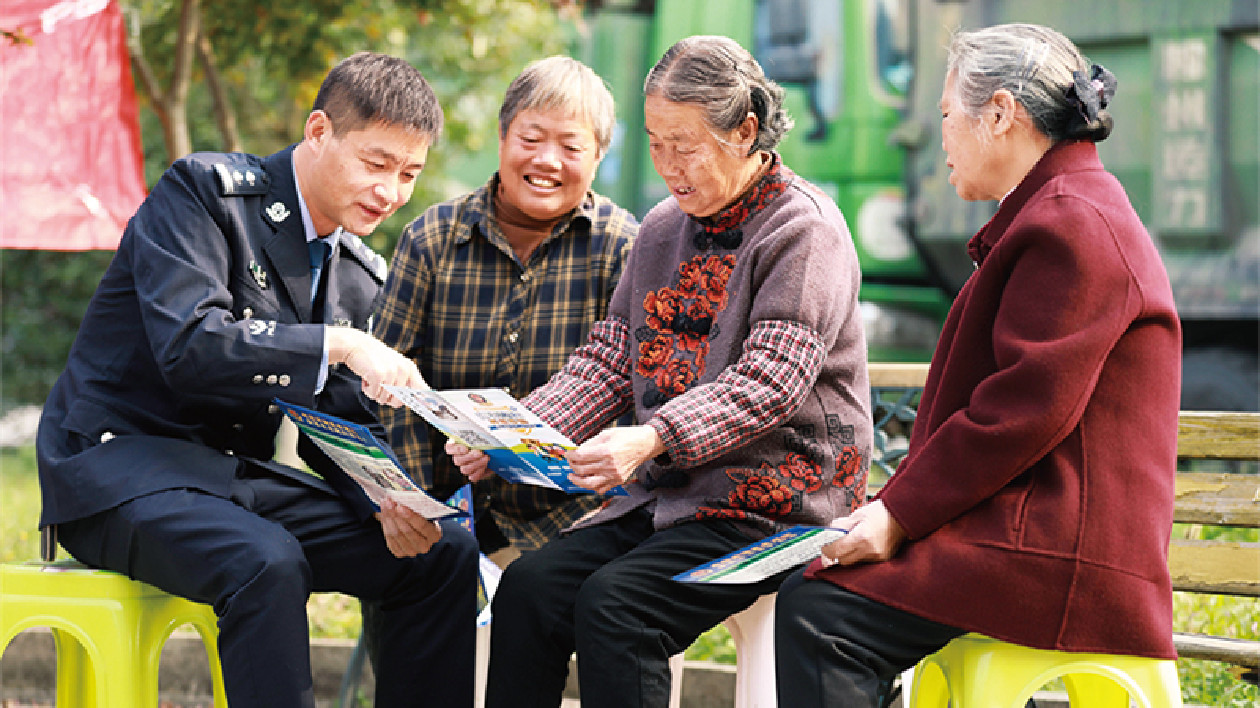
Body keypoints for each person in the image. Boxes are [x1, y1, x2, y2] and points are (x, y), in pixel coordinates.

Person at [35, 52, 479, 708]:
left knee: (441, 553)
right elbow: (190, 346)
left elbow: (333, 424)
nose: (391, 191)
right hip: (115, 468)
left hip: (224, 480)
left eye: (409, 173)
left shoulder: (355, 269)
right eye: (377, 163)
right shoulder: (203, 195)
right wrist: (343, 343)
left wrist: (388, 497)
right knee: (265, 559)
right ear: (320, 131)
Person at [447, 35, 872, 708]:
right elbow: (611, 360)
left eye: (687, 144)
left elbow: (770, 383)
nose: (669, 165)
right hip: (669, 498)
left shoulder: (805, 231)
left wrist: (650, 440)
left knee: (620, 610)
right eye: (655, 142)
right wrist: (511, 431)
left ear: (746, 132)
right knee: (531, 590)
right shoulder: (660, 230)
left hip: (776, 508)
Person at [773, 23, 1182, 707]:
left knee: (825, 617)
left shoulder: (1071, 222)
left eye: (945, 116)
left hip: (1058, 550)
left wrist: (896, 515)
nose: (941, 139)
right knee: (817, 595)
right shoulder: (1065, 209)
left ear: (999, 113)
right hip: (1036, 529)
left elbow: (1021, 411)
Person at [374, 55, 637, 557]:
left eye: (571, 146)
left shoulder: (624, 248)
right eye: (531, 139)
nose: (547, 161)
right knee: (415, 615)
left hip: (573, 521)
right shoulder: (431, 238)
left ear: (599, 156)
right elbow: (389, 383)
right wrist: (417, 501)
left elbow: (635, 393)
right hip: (442, 508)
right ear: (502, 137)